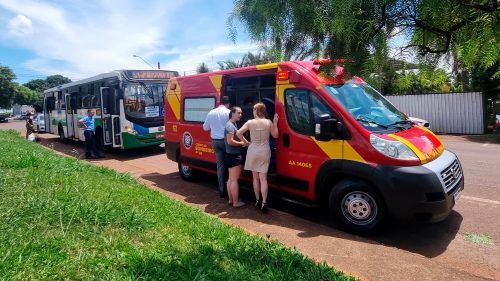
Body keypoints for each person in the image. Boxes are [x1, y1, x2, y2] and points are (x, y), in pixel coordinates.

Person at [237, 102, 278, 213]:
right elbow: (276, 135)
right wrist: (275, 122)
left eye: (253, 110)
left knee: (255, 178)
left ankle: (257, 200)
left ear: (256, 111)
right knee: (263, 179)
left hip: (253, 150)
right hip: (265, 151)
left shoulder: (250, 122)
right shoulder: (269, 122)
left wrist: (246, 142)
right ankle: (264, 203)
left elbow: (238, 133)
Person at [203, 96, 231, 198]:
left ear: (220, 102)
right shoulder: (229, 112)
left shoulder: (211, 112)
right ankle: (230, 189)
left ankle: (221, 189)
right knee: (230, 165)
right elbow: (233, 128)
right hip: (226, 142)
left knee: (220, 166)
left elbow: (205, 128)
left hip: (215, 142)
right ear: (228, 103)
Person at [224, 106, 249, 207]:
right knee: (234, 180)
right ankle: (235, 202)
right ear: (232, 113)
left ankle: (231, 200)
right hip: (234, 156)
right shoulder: (230, 126)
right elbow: (230, 141)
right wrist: (242, 143)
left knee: (230, 179)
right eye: (238, 113)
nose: (240, 115)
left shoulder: (231, 124)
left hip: (230, 155)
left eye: (241, 113)